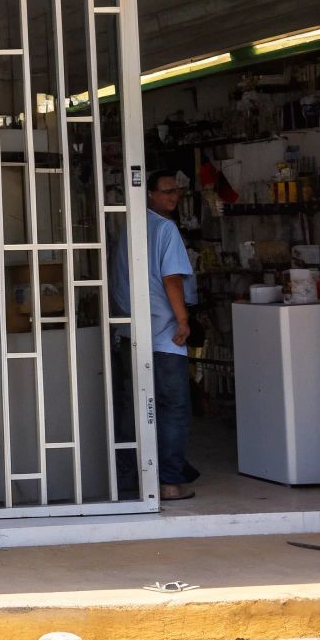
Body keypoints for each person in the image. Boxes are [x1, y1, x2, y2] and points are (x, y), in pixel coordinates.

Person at [143, 169, 198, 501]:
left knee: (140, 408)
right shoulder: (166, 229)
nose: (173, 197)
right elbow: (172, 278)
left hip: (135, 332)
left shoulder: (132, 227)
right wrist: (183, 320)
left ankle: (136, 476)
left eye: (176, 191)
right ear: (150, 193)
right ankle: (171, 481)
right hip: (165, 335)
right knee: (174, 407)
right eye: (166, 192)